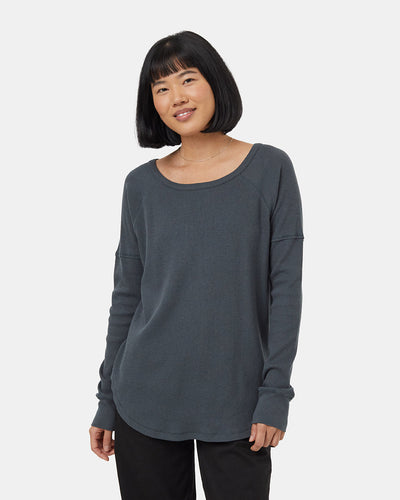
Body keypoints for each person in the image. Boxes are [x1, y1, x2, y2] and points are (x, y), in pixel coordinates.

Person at [89, 30, 304, 500]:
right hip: (143, 395)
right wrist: (106, 400)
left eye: (188, 79)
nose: (177, 97)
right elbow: (127, 296)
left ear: (215, 82)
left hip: (238, 401)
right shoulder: (140, 186)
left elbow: (285, 290)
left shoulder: (270, 168)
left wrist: (275, 395)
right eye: (161, 88)